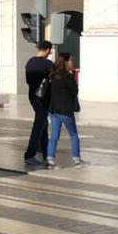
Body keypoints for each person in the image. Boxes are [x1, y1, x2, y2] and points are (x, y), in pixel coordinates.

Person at [46, 53, 84, 168]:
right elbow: (74, 91)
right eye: (71, 60)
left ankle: (50, 159)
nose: (72, 62)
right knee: (73, 135)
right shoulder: (68, 76)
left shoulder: (53, 75)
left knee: (54, 136)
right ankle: (77, 159)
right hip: (65, 110)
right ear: (66, 62)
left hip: (53, 110)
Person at [22, 40, 54, 168]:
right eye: (50, 50)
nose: (50, 52)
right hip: (43, 98)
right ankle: (30, 155)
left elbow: (28, 81)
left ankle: (46, 153)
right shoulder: (48, 64)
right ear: (46, 49)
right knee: (39, 125)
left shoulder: (30, 62)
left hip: (33, 97)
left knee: (43, 124)